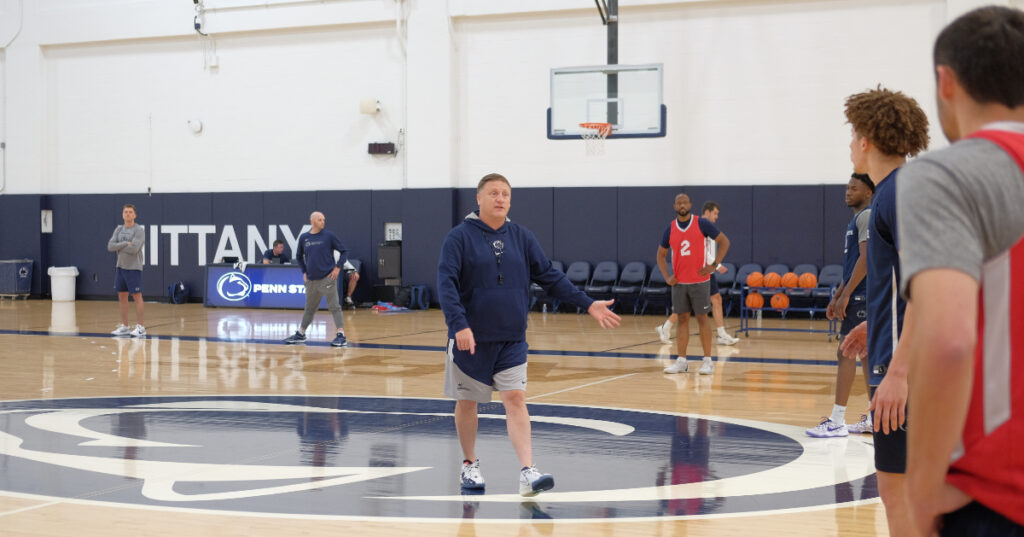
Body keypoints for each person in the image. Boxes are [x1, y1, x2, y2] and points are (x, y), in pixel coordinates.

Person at [898, 7, 1024, 535]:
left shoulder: (946, 174)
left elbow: (949, 341)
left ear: (945, 81)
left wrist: (922, 489)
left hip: (996, 492)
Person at [437, 173, 621, 497]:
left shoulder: (521, 236)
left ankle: (527, 472)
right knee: (467, 403)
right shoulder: (459, 238)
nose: (500, 199)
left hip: (511, 339)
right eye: (493, 193)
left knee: (516, 399)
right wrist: (459, 324)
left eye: (506, 194)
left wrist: (588, 303)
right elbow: (446, 284)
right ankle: (469, 465)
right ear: (478, 199)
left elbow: (550, 276)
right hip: (471, 339)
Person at [838, 86, 930, 536]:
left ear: (868, 140)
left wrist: (898, 372)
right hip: (901, 356)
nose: (851, 144)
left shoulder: (896, 195)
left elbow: (926, 286)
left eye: (854, 135)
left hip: (903, 369)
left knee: (899, 498)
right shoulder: (901, 191)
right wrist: (872, 324)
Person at [806, 173, 874, 438]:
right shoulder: (856, 219)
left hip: (861, 297)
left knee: (845, 352)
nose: (848, 191)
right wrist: (838, 295)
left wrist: (847, 296)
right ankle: (873, 416)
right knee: (866, 355)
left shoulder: (867, 216)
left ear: (868, 192)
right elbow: (854, 265)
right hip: (858, 295)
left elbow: (867, 260)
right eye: (847, 187)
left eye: (854, 188)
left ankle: (836, 420)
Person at [659, 193, 731, 376]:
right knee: (682, 320)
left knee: (702, 319)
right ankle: (681, 361)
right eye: (679, 202)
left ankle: (708, 361)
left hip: (700, 281)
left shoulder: (702, 223)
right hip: (679, 283)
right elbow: (660, 255)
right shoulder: (670, 228)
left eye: (685, 202)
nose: (682, 205)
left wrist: (713, 266)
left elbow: (724, 242)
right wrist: (667, 277)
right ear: (674, 206)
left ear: (690, 204)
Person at [283, 211, 350, 347]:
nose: (323, 222)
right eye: (320, 220)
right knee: (309, 308)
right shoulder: (304, 238)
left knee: (334, 307)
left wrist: (337, 268)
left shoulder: (329, 236)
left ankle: (341, 335)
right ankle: (301, 334)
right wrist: (304, 272)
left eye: (324, 219)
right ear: (312, 221)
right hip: (311, 281)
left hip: (327, 278)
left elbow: (344, 251)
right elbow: (299, 256)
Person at [107, 204, 146, 337]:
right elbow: (110, 246)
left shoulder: (139, 230)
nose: (128, 214)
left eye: (130, 212)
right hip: (120, 267)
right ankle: (125, 327)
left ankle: (141, 327)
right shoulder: (119, 229)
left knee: (137, 296)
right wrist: (125, 244)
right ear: (122, 215)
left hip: (134, 268)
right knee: (122, 296)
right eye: (125, 212)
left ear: (135, 215)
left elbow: (134, 249)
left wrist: (120, 246)